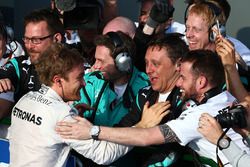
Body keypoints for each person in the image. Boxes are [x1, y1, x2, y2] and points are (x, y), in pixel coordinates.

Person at [57, 49, 249, 166]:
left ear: (201, 82)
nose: (178, 83)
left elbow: (146, 136)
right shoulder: (229, 96)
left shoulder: (199, 116)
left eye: (182, 77)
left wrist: (92, 130)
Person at [9, 43, 131, 166]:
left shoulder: (25, 99)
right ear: (58, 80)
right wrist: (139, 129)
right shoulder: (63, 115)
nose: (84, 83)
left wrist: (75, 114)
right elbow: (104, 154)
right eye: (79, 78)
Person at [115, 34, 189, 166]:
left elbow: (173, 152)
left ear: (179, 65)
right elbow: (120, 131)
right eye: (146, 63)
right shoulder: (144, 95)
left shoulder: (187, 102)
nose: (148, 70)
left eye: (155, 64)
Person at [0, 8, 64, 119]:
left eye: (36, 40)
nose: (29, 46)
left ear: (56, 39)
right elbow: (4, 75)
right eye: (26, 39)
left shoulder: (79, 71)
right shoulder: (19, 65)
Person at [75, 31, 149, 127]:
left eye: (101, 61)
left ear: (123, 62)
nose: (96, 66)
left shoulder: (146, 88)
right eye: (95, 59)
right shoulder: (91, 81)